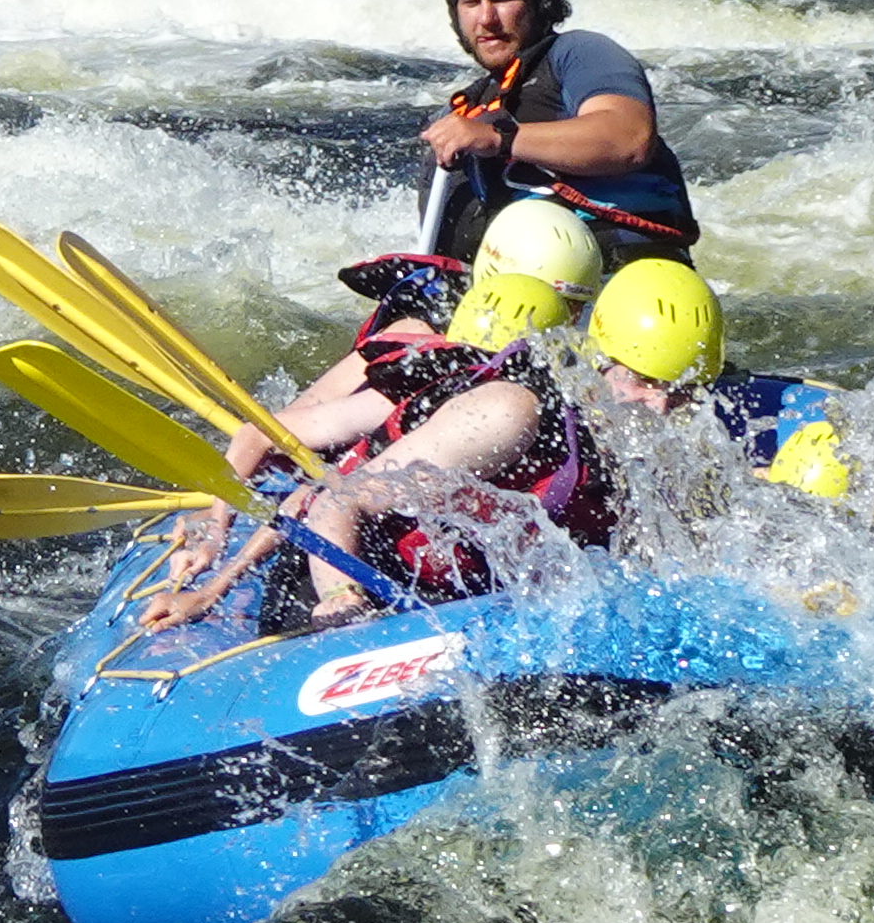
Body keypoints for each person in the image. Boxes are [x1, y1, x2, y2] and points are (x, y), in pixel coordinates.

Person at [148, 208, 614, 629]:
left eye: (577, 308)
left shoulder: (561, 392)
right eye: (562, 304)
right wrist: (216, 535)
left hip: (387, 507)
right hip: (338, 502)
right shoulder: (421, 353)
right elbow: (293, 461)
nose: (567, 322)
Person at [416, 0, 700, 272]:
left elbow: (628, 138)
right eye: (471, 2)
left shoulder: (580, 53)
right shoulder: (459, 115)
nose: (486, 19)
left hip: (625, 276)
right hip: (512, 290)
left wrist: (499, 139)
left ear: (540, 0)